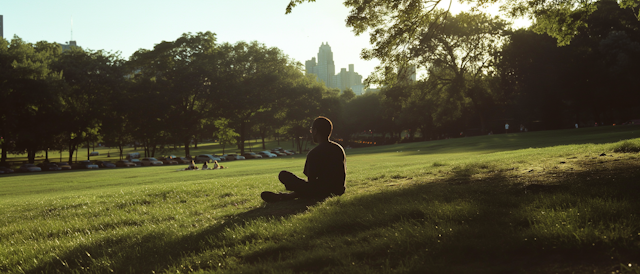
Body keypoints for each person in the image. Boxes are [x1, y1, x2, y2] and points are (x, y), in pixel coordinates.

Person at [261, 116, 346, 203]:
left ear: (315, 131)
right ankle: (285, 196)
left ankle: (284, 197)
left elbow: (311, 182)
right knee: (311, 187)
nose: (311, 132)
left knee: (283, 175)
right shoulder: (338, 148)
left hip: (322, 192)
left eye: (311, 130)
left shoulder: (314, 153)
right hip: (339, 190)